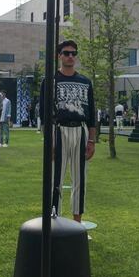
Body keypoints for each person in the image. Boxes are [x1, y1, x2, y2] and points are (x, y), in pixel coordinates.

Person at [39, 40, 96, 222]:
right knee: (56, 178)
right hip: (58, 131)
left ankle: (77, 223)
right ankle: (54, 220)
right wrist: (49, 141)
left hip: (80, 130)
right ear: (59, 55)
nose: (70, 56)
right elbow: (44, 114)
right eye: (66, 53)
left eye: (73, 53)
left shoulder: (85, 82)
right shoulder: (50, 81)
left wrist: (92, 141)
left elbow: (92, 114)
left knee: (80, 179)